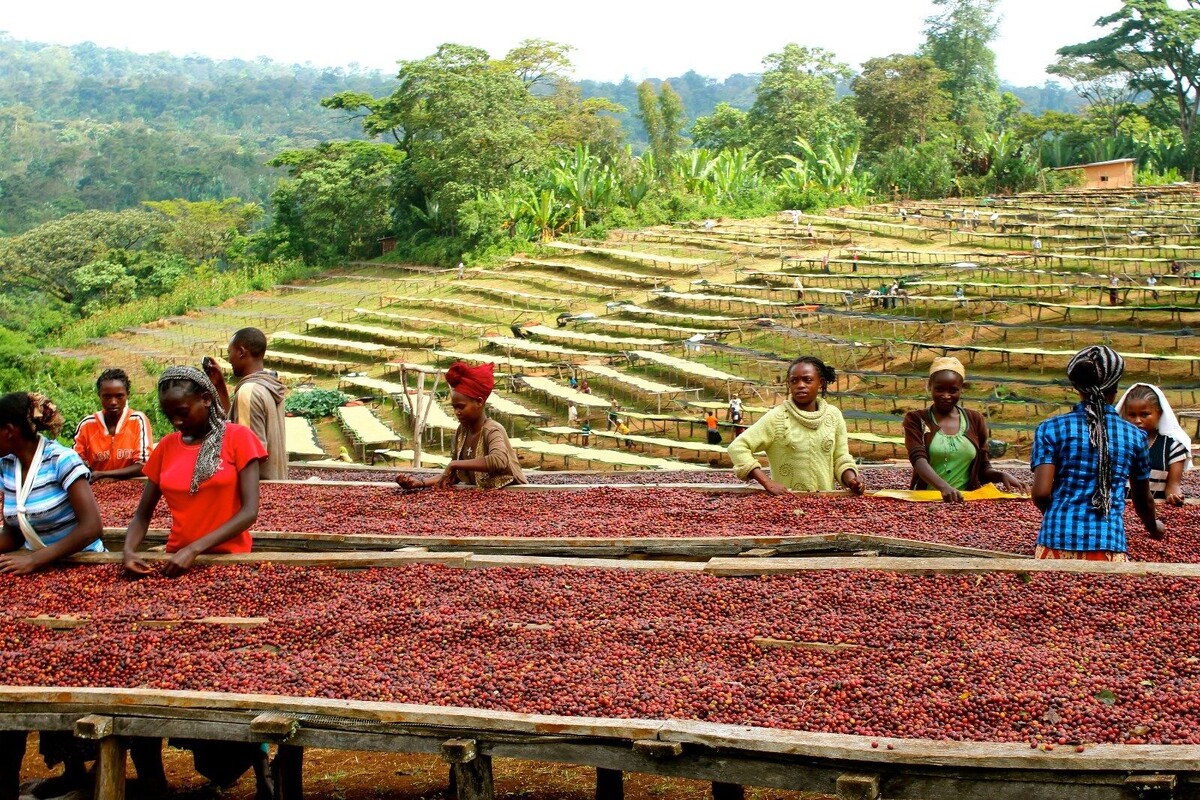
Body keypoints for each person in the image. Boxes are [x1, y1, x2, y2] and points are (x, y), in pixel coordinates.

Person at [0, 392, 105, 799]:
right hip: (39, 576)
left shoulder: (62, 460)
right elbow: (16, 527)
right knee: (30, 665)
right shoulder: (7, 466)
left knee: (69, 666)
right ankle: (67, 768)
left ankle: (84, 767)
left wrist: (36, 560)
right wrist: (21, 555)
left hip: (80, 572)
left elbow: (92, 525)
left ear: (9, 432)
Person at [123, 366, 266, 575]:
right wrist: (128, 551)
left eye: (182, 412)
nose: (176, 422)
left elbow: (249, 513)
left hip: (230, 560)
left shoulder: (239, 438)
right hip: (177, 561)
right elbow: (142, 516)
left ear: (206, 399)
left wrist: (194, 549)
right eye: (169, 416)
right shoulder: (166, 446)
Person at [1031, 346, 1162, 560]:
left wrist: (1061, 516)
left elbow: (1041, 494)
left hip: (1054, 542)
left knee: (1053, 593)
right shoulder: (1134, 436)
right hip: (1107, 543)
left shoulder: (1050, 428)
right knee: (1103, 593)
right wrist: (1153, 527)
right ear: (1117, 386)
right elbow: (1142, 498)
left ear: (1076, 386)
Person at [728, 356, 864, 496]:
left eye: (807, 380)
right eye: (794, 381)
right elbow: (737, 447)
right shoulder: (777, 417)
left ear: (821, 383)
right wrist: (766, 482)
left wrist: (852, 481)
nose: (800, 385)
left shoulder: (833, 416)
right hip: (787, 504)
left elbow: (841, 457)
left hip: (825, 503)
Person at [902, 357, 1026, 502]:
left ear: (961, 389)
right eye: (939, 389)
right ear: (930, 386)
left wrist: (1000, 476)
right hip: (924, 500)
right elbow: (918, 460)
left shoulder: (975, 419)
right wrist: (944, 488)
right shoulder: (917, 419)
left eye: (953, 390)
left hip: (966, 500)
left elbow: (983, 468)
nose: (946, 396)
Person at [395, 362, 526, 491]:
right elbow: (454, 474)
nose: (457, 412)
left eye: (461, 407)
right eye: (454, 407)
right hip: (481, 497)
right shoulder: (462, 431)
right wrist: (419, 483)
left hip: (509, 492)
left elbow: (498, 460)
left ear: (479, 402)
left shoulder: (492, 430)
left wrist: (454, 464)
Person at [204, 328, 287, 480]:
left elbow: (248, 454)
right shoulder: (270, 387)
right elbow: (237, 425)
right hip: (276, 483)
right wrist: (220, 386)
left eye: (230, 353)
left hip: (257, 491)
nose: (229, 360)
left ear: (241, 352)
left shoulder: (248, 392)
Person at [72, 367, 153, 481]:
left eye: (119, 396)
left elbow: (144, 465)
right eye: (107, 396)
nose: (113, 402)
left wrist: (103, 474)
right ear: (99, 395)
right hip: (98, 488)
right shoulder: (87, 425)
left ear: (127, 395)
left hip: (133, 487)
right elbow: (74, 462)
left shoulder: (137, 420)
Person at [1117, 383, 1192, 505]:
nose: (1137, 420)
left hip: (1156, 512)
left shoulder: (1173, 446)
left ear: (1159, 413)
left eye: (1144, 414)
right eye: (1132, 415)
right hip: (1120, 510)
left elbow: (1173, 485)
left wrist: (1174, 496)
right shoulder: (1117, 443)